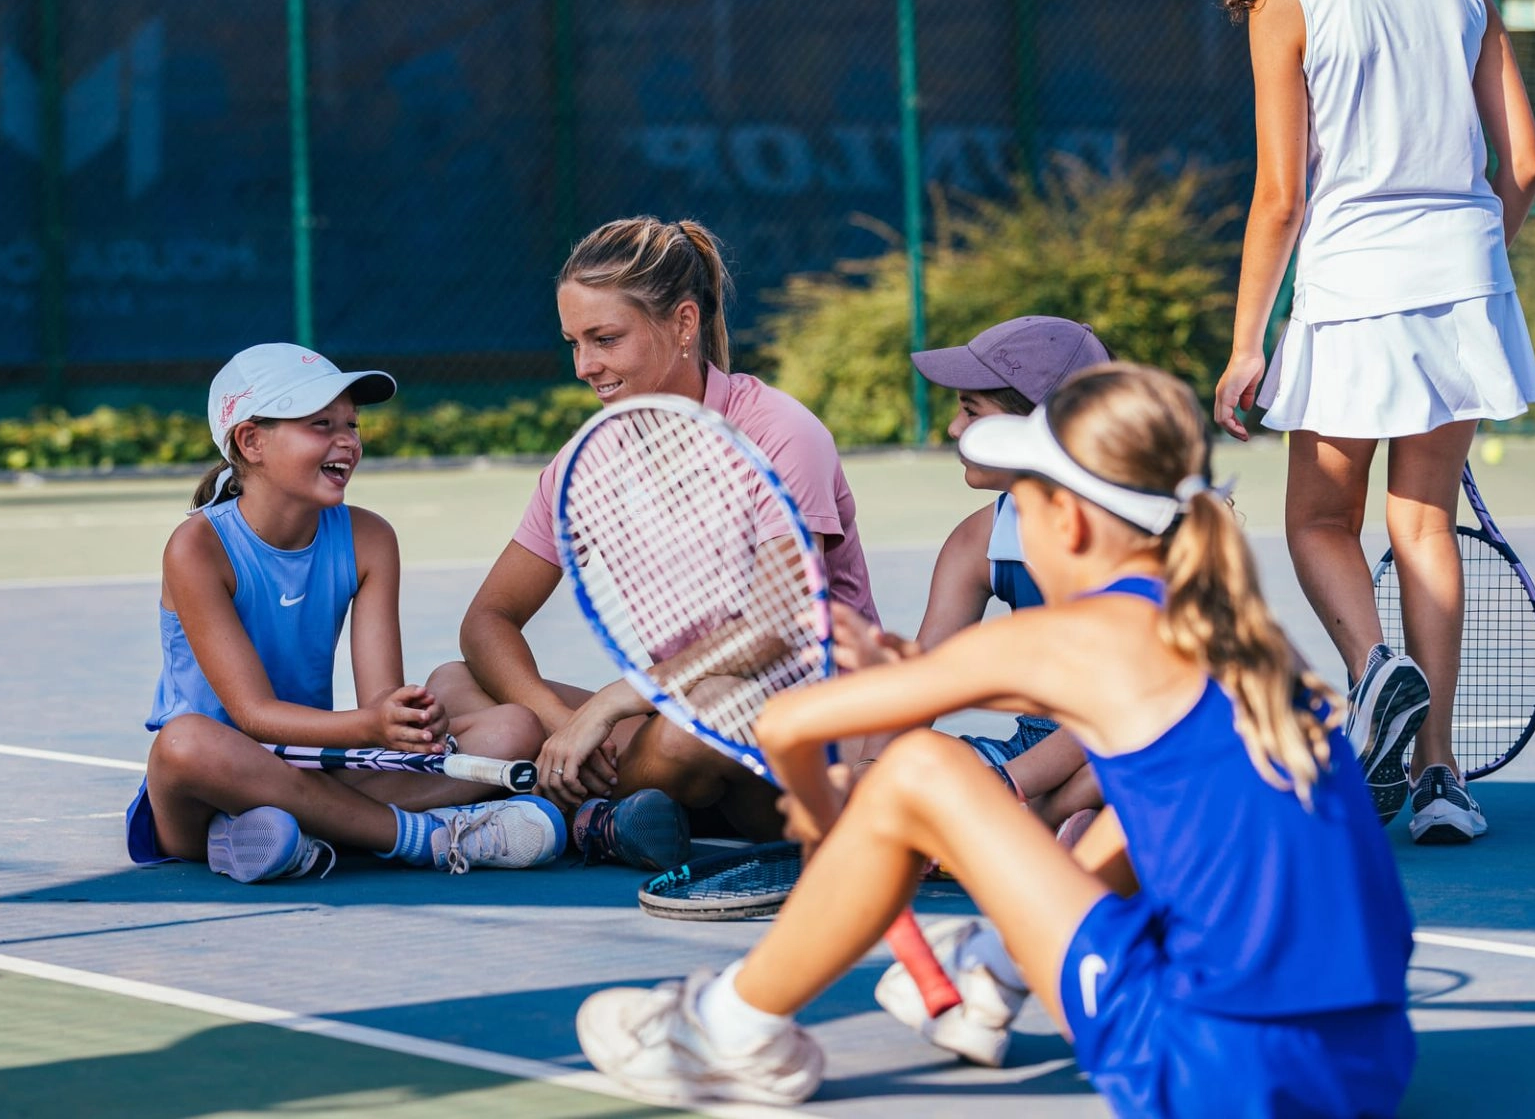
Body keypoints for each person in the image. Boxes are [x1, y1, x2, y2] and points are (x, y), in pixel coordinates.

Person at [574, 363, 1416, 1116]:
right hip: (1366, 1067)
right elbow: (1121, 780)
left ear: (1069, 523)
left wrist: (822, 796)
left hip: (1209, 1072)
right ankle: (992, 967)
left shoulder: (1073, 638)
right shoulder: (1244, 640)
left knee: (915, 769)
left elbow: (791, 723)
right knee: (1142, 798)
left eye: (1023, 501)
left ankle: (725, 1034)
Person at [1211, 0, 1535, 843]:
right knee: (1423, 526)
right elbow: (1520, 164)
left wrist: (1245, 343)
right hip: (1464, 287)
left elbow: (1280, 198)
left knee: (1318, 522)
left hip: (1353, 292)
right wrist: (1472, 258)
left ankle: (1373, 669)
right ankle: (1438, 774)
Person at [427, 216, 881, 870]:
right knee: (453, 682)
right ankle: (613, 810)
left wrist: (611, 704)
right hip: (670, 720)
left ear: (683, 324)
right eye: (574, 343)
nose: (586, 367)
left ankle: (581, 815)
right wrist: (561, 723)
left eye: (606, 339)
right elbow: (488, 620)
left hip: (797, 742)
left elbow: (777, 626)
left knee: (712, 714)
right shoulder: (588, 459)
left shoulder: (780, 431)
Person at [126, 343, 566, 882]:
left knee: (514, 729)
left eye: (352, 425)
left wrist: (405, 720)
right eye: (320, 424)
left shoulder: (370, 538)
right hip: (204, 784)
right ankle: (420, 838)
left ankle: (286, 837)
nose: (347, 441)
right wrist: (370, 726)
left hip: (314, 766)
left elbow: (379, 700)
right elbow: (253, 715)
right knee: (183, 741)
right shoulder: (196, 548)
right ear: (251, 440)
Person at [851, 315, 1112, 834]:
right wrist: (869, 777)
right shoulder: (980, 540)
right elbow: (922, 684)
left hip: (1125, 730)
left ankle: (1052, 820)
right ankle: (1057, 825)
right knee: (888, 763)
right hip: (1035, 748)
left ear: (1041, 427)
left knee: (1132, 762)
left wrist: (1008, 787)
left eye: (972, 411)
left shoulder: (1125, 542)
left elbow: (1116, 708)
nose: (953, 429)